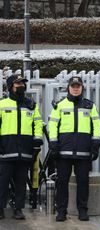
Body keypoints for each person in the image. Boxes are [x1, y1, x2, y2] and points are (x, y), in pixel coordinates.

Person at [48, 76, 100, 222]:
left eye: (78, 86)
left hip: (83, 151)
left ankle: (83, 211)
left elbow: (97, 125)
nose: (76, 88)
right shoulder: (59, 105)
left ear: (82, 87)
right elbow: (52, 125)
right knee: (62, 182)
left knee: (83, 183)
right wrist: (53, 143)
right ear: (69, 88)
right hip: (63, 152)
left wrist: (95, 143)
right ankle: (61, 212)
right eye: (73, 86)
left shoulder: (90, 106)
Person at [0, 73, 43, 220]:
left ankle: (18, 209)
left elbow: (37, 123)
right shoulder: (2, 104)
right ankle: (0, 209)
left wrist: (37, 140)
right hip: (5, 150)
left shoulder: (31, 104)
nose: (21, 86)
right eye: (18, 84)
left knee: (21, 183)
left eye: (23, 84)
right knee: (2, 182)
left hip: (25, 151)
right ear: (11, 86)